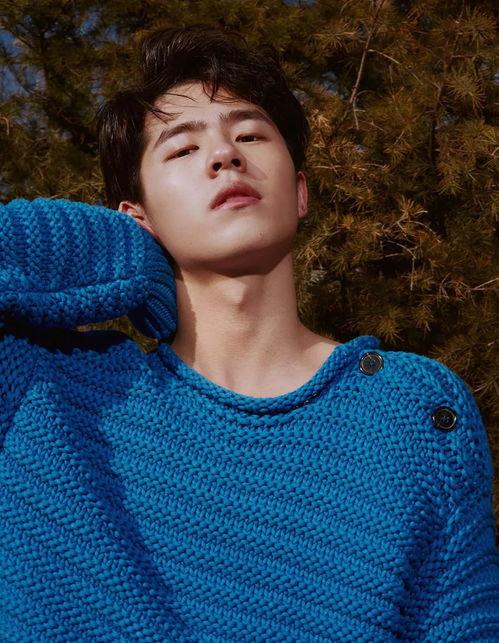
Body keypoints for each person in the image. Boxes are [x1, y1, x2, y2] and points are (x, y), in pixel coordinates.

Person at [0, 23, 498, 641]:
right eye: (182, 149)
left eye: (250, 135)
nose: (225, 155)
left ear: (300, 192)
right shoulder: (47, 390)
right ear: (137, 216)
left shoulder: (415, 413)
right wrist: (127, 257)